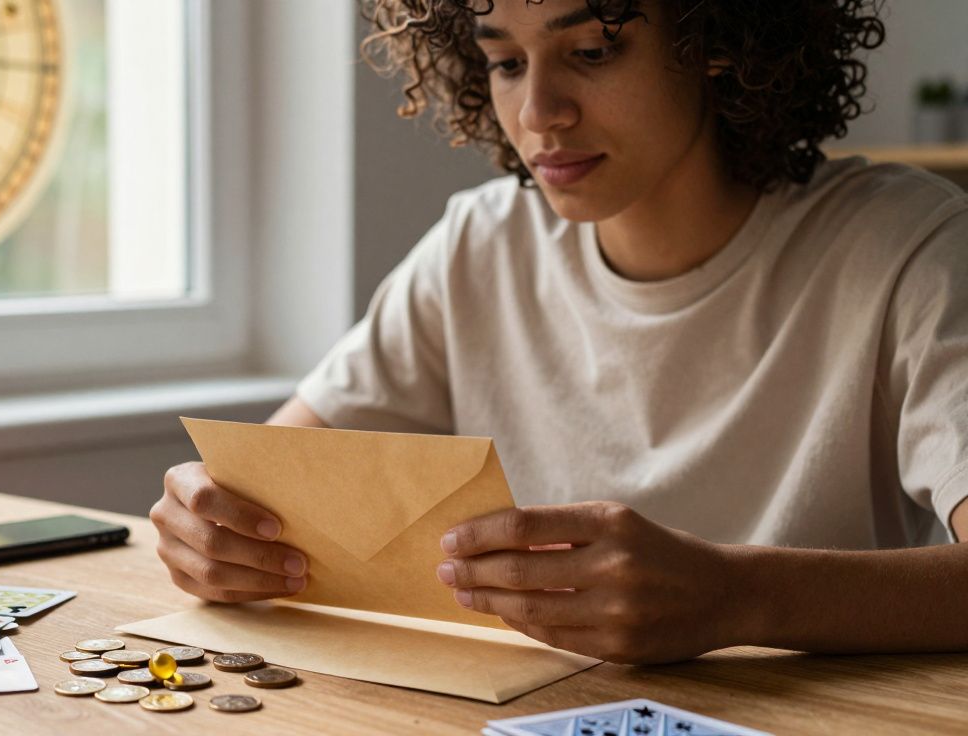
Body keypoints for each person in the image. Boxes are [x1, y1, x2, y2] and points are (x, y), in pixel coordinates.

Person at [151, 0, 968, 665]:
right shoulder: (481, 243)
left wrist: (736, 595)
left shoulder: (912, 249)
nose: (538, 112)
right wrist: (211, 530)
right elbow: (266, 487)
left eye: (593, 50)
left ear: (715, 40)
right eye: (506, 63)